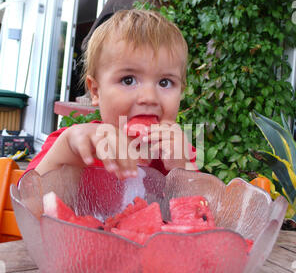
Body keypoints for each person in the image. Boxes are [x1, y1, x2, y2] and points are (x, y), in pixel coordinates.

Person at [26, 9, 198, 179]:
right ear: (95, 91)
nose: (149, 98)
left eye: (165, 82)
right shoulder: (71, 144)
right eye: (128, 80)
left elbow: (198, 205)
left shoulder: (182, 152)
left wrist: (183, 169)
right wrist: (66, 149)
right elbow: (28, 201)